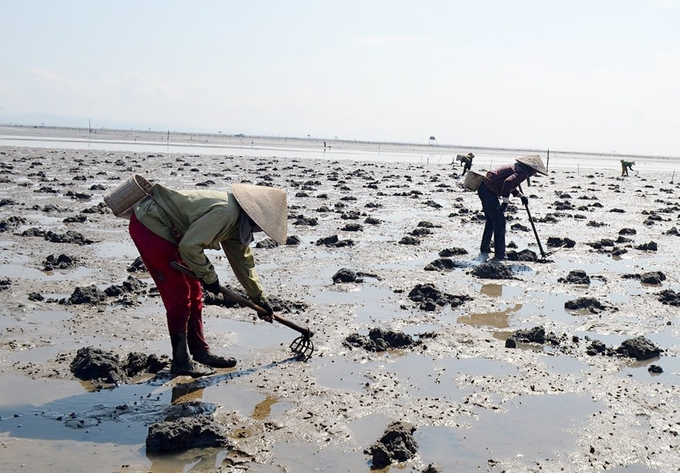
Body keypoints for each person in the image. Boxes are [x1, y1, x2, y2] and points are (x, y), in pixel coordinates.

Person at [129, 182, 288, 377]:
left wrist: (259, 298)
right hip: (151, 227)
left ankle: (200, 351)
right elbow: (190, 246)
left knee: (195, 291)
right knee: (179, 297)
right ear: (255, 215)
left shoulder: (239, 223)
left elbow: (243, 261)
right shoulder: (226, 213)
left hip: (172, 233)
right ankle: (180, 361)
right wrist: (210, 277)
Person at [477, 155, 547, 260]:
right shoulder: (522, 172)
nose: (535, 173)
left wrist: (521, 196)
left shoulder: (518, 168)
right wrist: (505, 203)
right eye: (535, 171)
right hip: (488, 190)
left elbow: (510, 186)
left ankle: (485, 248)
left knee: (492, 220)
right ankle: (500, 254)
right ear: (530, 168)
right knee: (500, 221)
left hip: (484, 188)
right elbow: (508, 182)